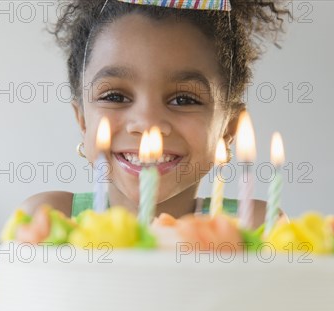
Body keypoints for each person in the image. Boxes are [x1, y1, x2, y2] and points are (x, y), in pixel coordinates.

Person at [22, 0, 289, 226]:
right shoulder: (48, 220)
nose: (148, 124)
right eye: (115, 96)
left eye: (184, 99)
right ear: (82, 119)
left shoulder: (252, 227)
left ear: (229, 129)